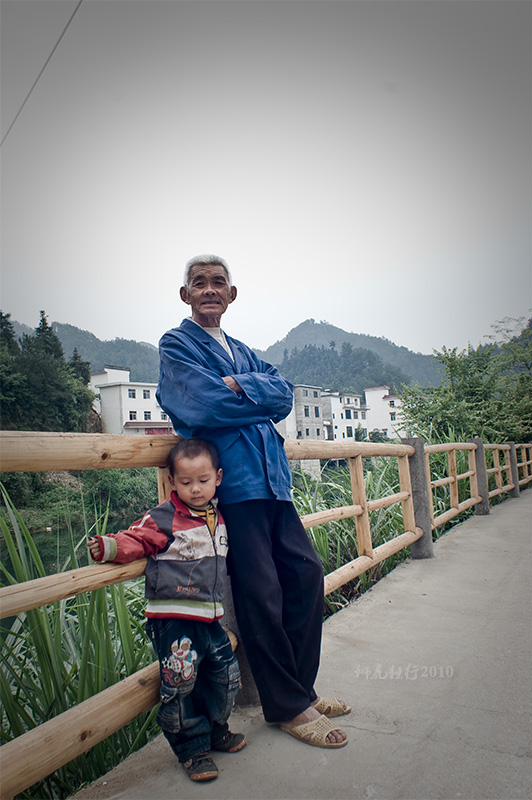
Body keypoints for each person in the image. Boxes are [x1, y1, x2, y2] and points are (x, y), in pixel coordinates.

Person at [156, 254, 350, 749]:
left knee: (306, 576)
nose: (209, 289)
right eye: (199, 282)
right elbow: (201, 404)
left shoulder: (243, 351)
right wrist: (254, 396)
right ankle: (286, 706)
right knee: (261, 592)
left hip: (273, 480)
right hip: (235, 485)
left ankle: (300, 690)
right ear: (185, 295)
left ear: (232, 293)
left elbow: (284, 396)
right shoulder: (177, 345)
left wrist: (240, 385)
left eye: (218, 282)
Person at [87, 437, 246, 782]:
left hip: (210, 616)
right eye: (186, 482)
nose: (195, 489)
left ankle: (216, 729)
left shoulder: (218, 515)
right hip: (174, 620)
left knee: (225, 673)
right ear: (172, 482)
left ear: (218, 477)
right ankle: (192, 748)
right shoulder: (166, 517)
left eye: (203, 480)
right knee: (180, 683)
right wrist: (110, 547)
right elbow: (138, 538)